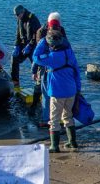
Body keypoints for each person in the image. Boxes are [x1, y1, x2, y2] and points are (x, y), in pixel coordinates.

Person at [32, 22, 81, 152]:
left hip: (57, 92)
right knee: (68, 116)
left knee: (54, 119)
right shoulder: (69, 53)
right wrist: (78, 89)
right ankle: (72, 142)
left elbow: (36, 57)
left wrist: (42, 41)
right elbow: (77, 72)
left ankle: (54, 146)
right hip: (71, 90)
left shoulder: (51, 58)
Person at [29, 13, 64, 125]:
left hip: (48, 66)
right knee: (51, 93)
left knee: (47, 94)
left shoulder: (45, 36)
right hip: (51, 66)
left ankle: (47, 119)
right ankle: (52, 117)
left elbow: (37, 55)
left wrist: (33, 70)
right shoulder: (42, 33)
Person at [12, 4, 42, 87]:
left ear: (23, 12)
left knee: (37, 65)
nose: (17, 17)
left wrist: (30, 45)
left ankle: (38, 85)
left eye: (18, 15)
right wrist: (16, 45)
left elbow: (37, 35)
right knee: (14, 58)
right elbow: (18, 33)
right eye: (16, 15)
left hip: (33, 46)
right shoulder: (19, 19)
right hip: (23, 45)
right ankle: (15, 82)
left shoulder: (33, 19)